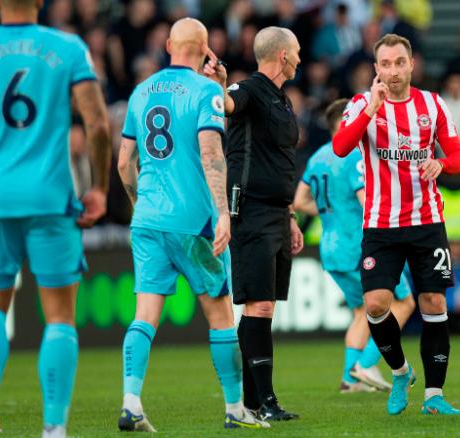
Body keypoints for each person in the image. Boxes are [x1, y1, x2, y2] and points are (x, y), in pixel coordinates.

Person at [0, 0, 112, 436]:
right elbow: (98, 126)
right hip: (51, 197)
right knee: (59, 317)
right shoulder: (69, 48)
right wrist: (100, 189)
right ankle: (53, 428)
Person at [116, 18, 267, 432]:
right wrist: (222, 212)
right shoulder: (204, 92)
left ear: (167, 44)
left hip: (147, 219)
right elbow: (211, 152)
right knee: (219, 315)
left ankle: (131, 401)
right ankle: (236, 409)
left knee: (145, 314)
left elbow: (123, 163)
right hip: (193, 220)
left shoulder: (141, 91)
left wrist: (139, 203)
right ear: (206, 50)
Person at [332, 34, 460, 416]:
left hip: (427, 221)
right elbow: (341, 147)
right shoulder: (361, 104)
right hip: (380, 224)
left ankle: (434, 396)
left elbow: (459, 157)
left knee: (434, 302)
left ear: (411, 65)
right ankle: (400, 372)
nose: (392, 70)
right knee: (375, 304)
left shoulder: (432, 104)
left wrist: (442, 163)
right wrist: (370, 110)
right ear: (376, 69)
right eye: (385, 64)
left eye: (399, 62)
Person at [204, 26, 302, 422]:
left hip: (277, 213)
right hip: (252, 211)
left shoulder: (281, 99)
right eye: (294, 51)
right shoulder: (250, 90)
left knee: (265, 309)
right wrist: (219, 86)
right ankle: (265, 402)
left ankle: (250, 401)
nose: (299, 57)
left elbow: (279, 162)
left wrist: (291, 216)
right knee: (258, 305)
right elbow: (228, 104)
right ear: (282, 56)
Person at [294, 98, 416, 394]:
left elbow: (299, 201)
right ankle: (366, 362)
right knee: (405, 302)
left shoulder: (319, 156)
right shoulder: (353, 153)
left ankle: (350, 380)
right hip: (359, 246)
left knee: (362, 312)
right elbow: (367, 202)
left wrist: (330, 212)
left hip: (331, 247)